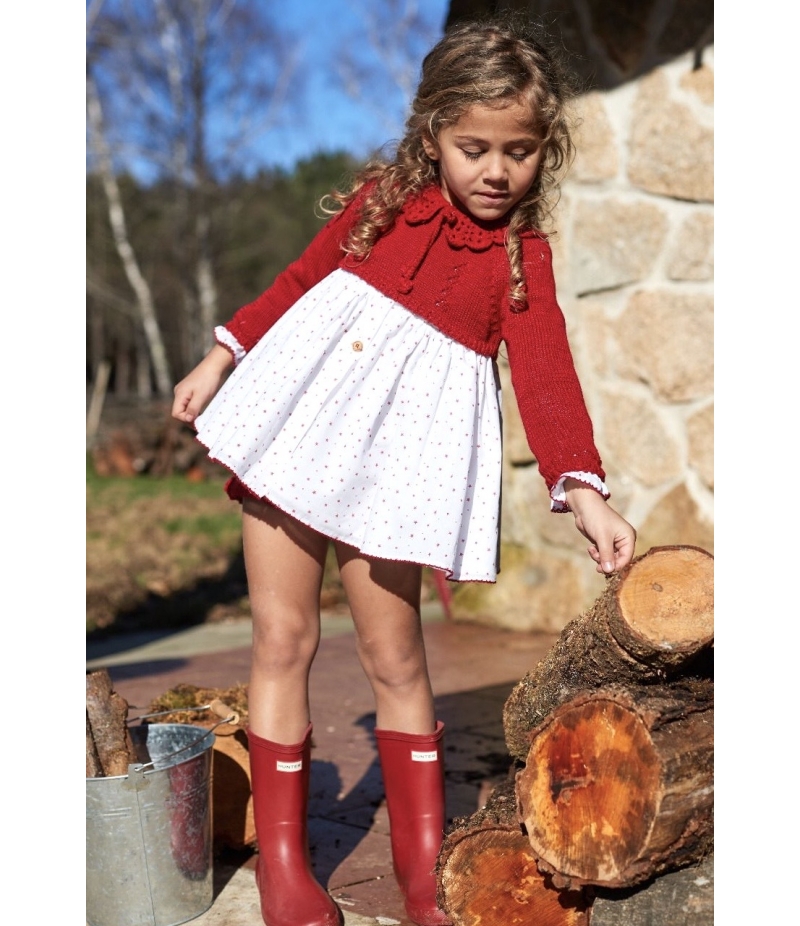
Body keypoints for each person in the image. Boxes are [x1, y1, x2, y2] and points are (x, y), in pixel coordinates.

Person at [172, 14, 636, 926]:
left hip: (398, 472)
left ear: (543, 151)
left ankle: (425, 874)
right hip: (299, 429)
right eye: (474, 148)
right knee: (283, 638)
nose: (496, 171)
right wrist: (222, 355)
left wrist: (583, 489)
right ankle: (284, 868)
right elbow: (299, 282)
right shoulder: (381, 204)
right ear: (434, 137)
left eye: (519, 152)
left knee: (395, 656)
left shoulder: (523, 259)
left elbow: (547, 375)